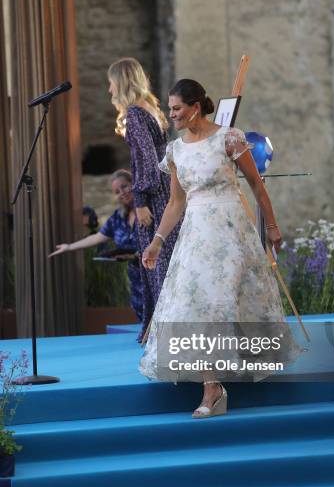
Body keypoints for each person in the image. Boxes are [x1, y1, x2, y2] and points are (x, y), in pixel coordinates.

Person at [141, 79, 302, 419]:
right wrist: (156, 242)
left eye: (176, 108)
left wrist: (272, 227)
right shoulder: (176, 150)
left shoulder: (229, 138)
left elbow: (258, 187)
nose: (171, 115)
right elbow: (175, 202)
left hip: (231, 232)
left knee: (226, 303)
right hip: (196, 236)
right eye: (170, 109)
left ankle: (218, 384)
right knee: (194, 305)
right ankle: (211, 386)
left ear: (195, 107)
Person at [107, 57, 180, 341]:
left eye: (111, 84)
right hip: (165, 188)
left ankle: (166, 336)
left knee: (156, 263)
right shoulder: (150, 108)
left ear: (122, 82)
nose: (109, 90)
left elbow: (146, 160)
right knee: (166, 260)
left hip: (154, 196)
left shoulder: (135, 115)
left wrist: (139, 200)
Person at [49, 170, 143, 322]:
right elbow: (99, 237)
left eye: (125, 186)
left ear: (134, 183)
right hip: (136, 278)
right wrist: (69, 247)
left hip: (154, 274)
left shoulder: (149, 210)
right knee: (143, 319)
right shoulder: (118, 218)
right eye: (117, 191)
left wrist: (134, 255)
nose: (122, 193)